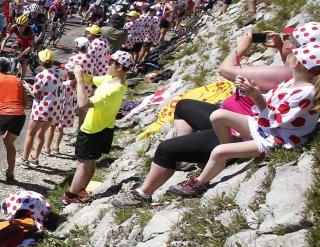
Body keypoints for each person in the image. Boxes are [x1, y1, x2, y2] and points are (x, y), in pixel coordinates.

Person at [114, 24, 318, 207]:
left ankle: (144, 194)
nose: (286, 41)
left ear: (299, 57)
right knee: (184, 105)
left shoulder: (290, 79)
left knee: (166, 150)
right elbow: (287, 74)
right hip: (243, 122)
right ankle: (194, 152)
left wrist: (240, 48)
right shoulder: (294, 75)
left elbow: (226, 69)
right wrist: (280, 48)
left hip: (250, 132)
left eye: (290, 40)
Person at [171, 44, 320, 197]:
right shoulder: (292, 82)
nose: (289, 54)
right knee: (218, 115)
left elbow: (276, 121)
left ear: (298, 63)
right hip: (267, 128)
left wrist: (255, 96)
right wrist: (253, 91)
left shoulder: (306, 93)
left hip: (279, 140)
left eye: (293, 55)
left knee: (218, 151)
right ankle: (229, 155)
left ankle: (200, 183)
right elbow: (270, 108)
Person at [61, 51, 131, 205]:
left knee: (83, 164)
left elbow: (83, 104)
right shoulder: (111, 80)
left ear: (119, 67)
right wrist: (78, 72)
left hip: (92, 130)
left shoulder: (114, 89)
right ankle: (81, 190)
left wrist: (79, 80)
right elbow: (92, 79)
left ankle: (70, 197)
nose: (106, 65)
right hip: (104, 127)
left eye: (110, 63)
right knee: (91, 162)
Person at [0, 57, 30, 183]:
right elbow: (26, 103)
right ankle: (10, 173)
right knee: (8, 143)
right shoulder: (17, 79)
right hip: (19, 115)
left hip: (4, 114)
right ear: (9, 68)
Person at [22, 50, 63, 165]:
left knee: (31, 133)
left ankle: (24, 159)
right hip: (54, 109)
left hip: (42, 109)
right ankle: (35, 158)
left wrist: (28, 87)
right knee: (41, 133)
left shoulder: (41, 75)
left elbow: (36, 94)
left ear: (40, 61)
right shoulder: (58, 74)